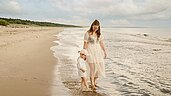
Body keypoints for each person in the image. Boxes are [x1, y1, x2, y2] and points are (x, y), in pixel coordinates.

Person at [83, 19, 107, 90]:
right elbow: (85, 44)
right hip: (90, 51)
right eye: (94, 27)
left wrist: (105, 52)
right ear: (92, 26)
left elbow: (101, 43)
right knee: (92, 69)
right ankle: (92, 84)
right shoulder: (87, 33)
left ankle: (94, 80)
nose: (95, 29)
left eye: (97, 28)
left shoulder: (99, 34)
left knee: (99, 68)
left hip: (98, 52)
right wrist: (84, 53)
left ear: (99, 27)